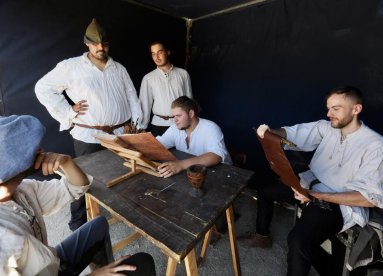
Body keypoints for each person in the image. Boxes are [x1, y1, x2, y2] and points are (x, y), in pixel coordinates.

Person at [239, 86, 383, 276]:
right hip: (310, 186)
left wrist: (314, 196)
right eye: (329, 108)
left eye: (336, 109)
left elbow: (368, 198)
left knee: (298, 240)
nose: (329, 113)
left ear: (356, 109)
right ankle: (262, 236)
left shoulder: (378, 147)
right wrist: (271, 132)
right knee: (265, 192)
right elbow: (294, 134)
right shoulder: (327, 127)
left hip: (339, 203)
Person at [0, 115, 156, 275]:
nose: (39, 151)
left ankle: (106, 267)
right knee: (142, 263)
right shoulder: (4, 241)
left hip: (51, 265)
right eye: (24, 150)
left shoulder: (23, 190)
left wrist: (66, 162)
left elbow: (76, 187)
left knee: (98, 224)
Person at [35, 18, 143, 231]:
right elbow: (42, 88)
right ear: (86, 43)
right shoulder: (71, 66)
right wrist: (67, 111)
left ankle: (116, 213)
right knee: (82, 179)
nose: (100, 48)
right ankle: (78, 224)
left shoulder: (118, 68)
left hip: (119, 133)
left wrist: (135, 122)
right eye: (95, 44)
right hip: (88, 136)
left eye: (104, 44)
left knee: (119, 174)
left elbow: (132, 95)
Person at [156, 96, 231, 178]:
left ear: (191, 114)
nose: (175, 120)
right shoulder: (175, 128)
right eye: (174, 116)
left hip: (222, 174)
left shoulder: (210, 127)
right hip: (192, 173)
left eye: (178, 116)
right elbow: (159, 144)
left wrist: (181, 165)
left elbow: (216, 155)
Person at [139, 41, 192, 137]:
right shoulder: (148, 78)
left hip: (181, 124)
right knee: (159, 152)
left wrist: (191, 123)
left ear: (167, 52)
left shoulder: (183, 74)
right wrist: (142, 127)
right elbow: (145, 105)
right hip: (158, 125)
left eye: (160, 52)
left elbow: (189, 100)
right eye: (153, 54)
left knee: (181, 152)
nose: (156, 57)